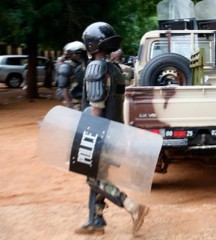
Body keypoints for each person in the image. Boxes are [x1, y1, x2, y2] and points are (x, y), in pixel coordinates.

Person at [74, 22, 149, 235]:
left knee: (93, 178)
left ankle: (132, 206)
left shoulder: (96, 67)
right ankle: (95, 220)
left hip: (100, 133)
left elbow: (96, 107)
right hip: (115, 131)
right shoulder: (115, 69)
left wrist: (86, 136)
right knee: (98, 177)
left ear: (91, 44)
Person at [56, 41, 87, 110]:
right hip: (73, 101)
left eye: (80, 53)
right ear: (71, 54)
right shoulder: (66, 66)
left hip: (82, 99)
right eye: (77, 53)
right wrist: (69, 104)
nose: (79, 55)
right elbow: (64, 88)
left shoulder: (81, 65)